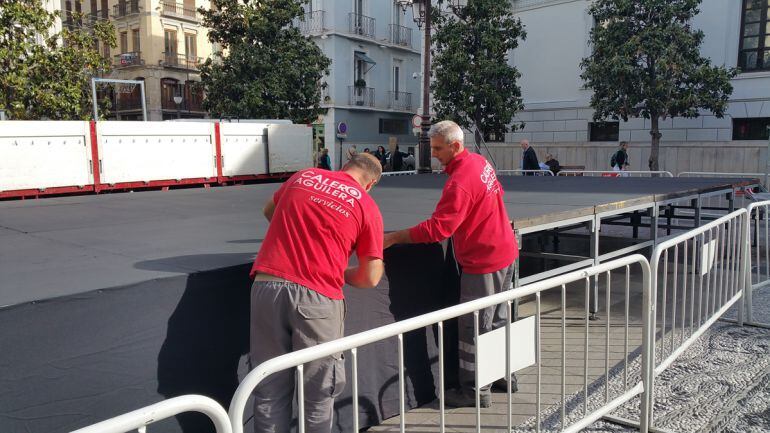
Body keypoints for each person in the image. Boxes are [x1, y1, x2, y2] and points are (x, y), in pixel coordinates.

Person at [383, 120, 519, 408]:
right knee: (497, 319)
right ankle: (503, 375)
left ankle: (473, 392)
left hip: (483, 261)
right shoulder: (480, 162)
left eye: (437, 148)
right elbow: (496, 196)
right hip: (505, 250)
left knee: (474, 327)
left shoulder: (460, 182)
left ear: (456, 146)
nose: (433, 154)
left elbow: (438, 230)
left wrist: (394, 237)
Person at [248, 153, 385, 433]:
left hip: (266, 285)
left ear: (343, 167)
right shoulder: (365, 204)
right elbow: (371, 276)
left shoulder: (304, 176)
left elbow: (269, 211)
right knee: (318, 394)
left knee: (269, 389)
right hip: (317, 297)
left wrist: (295, 235)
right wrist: (339, 271)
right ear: (369, 184)